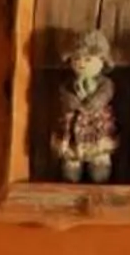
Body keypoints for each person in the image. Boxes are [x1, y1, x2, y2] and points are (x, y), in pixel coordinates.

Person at [50, 27, 119, 184]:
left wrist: (94, 102)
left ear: (102, 60)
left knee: (99, 147)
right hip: (74, 122)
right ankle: (72, 165)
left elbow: (106, 92)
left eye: (88, 59)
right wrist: (71, 102)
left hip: (96, 121)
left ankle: (99, 164)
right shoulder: (69, 83)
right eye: (77, 59)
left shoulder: (104, 82)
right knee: (72, 148)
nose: (81, 64)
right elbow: (64, 93)